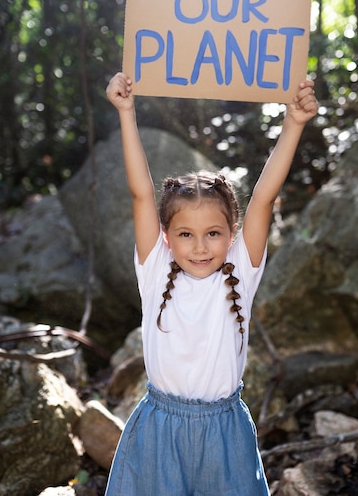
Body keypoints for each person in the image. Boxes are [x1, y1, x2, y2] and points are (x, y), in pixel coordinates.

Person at [104, 71, 318, 496]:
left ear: (232, 233)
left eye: (213, 234)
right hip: (160, 430)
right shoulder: (156, 267)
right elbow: (142, 194)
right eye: (185, 234)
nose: (200, 247)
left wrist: (293, 122)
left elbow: (263, 197)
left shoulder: (240, 270)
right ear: (167, 238)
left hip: (224, 434)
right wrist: (126, 112)